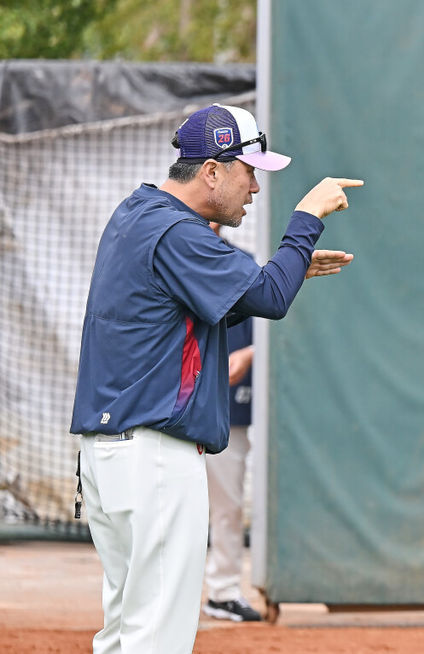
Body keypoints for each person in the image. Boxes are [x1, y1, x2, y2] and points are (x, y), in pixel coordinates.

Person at [70, 103, 362, 653]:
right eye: (249, 170)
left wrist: (291, 266)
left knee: (126, 633)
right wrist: (305, 220)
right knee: (157, 638)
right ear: (211, 171)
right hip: (152, 458)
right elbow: (268, 298)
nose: (254, 186)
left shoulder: (137, 213)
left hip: (113, 457)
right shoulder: (177, 231)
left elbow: (201, 306)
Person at [201, 222, 261, 622]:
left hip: (226, 409)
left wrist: (252, 353)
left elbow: (274, 324)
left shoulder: (243, 262)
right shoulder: (162, 253)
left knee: (227, 505)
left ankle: (222, 591)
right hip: (167, 410)